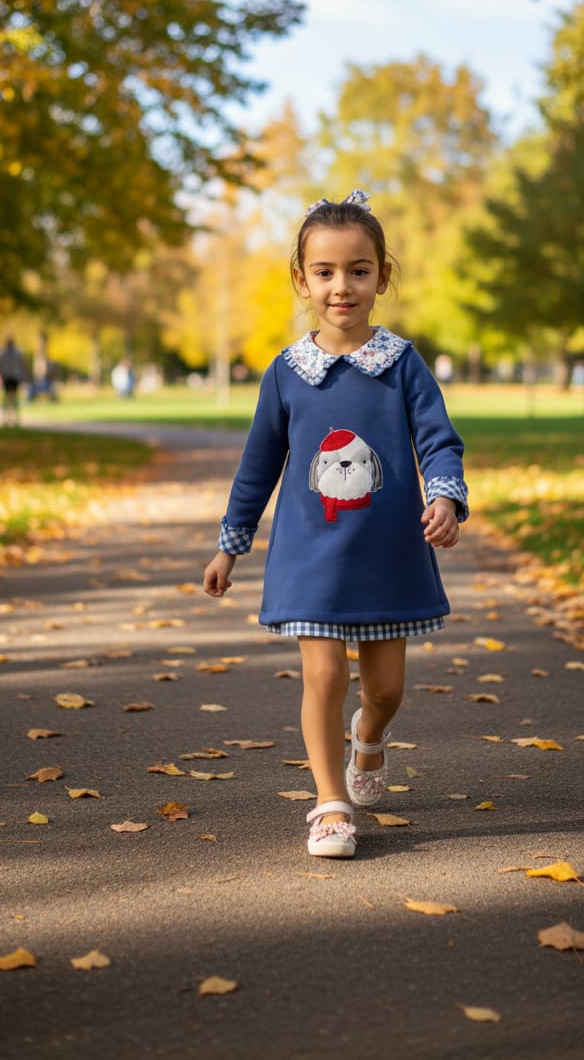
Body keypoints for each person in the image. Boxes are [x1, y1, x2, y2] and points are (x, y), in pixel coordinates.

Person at [203, 191, 468, 860]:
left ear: (382, 276)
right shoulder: (287, 375)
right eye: (324, 272)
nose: (341, 286)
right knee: (323, 675)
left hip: (387, 555)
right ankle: (329, 805)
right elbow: (257, 467)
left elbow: (439, 441)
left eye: (358, 270)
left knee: (384, 690)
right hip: (310, 557)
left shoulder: (403, 365)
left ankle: (369, 739)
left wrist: (445, 498)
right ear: (301, 279)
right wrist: (230, 546)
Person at [0, 336, 28, 427]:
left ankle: (12, 419)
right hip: (11, 377)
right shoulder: (15, 352)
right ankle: (10, 419)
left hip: (10, 377)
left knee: (10, 399)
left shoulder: (4, 352)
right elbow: (22, 365)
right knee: (11, 399)